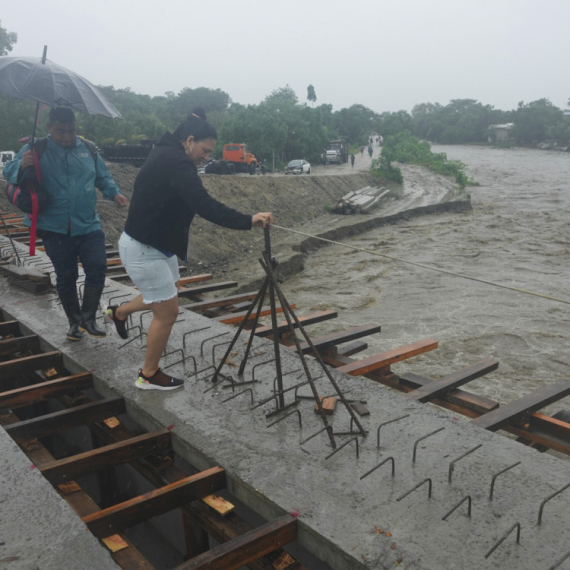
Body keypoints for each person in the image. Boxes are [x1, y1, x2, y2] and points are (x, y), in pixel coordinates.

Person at [105, 108, 273, 391]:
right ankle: (148, 375)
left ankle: (119, 313)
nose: (206, 158)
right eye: (205, 151)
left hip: (152, 244)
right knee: (167, 313)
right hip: (145, 249)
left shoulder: (166, 151)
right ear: (190, 140)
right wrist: (249, 220)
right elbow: (204, 205)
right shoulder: (178, 163)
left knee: (165, 291)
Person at [4, 107, 128, 341]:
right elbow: (9, 173)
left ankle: (89, 318)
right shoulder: (35, 148)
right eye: (60, 131)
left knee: (97, 267)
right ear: (49, 128)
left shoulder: (88, 149)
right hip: (54, 226)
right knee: (66, 275)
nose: (67, 137)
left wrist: (114, 193)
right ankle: (74, 322)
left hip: (88, 224)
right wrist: (22, 165)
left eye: (71, 131)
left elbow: (102, 177)